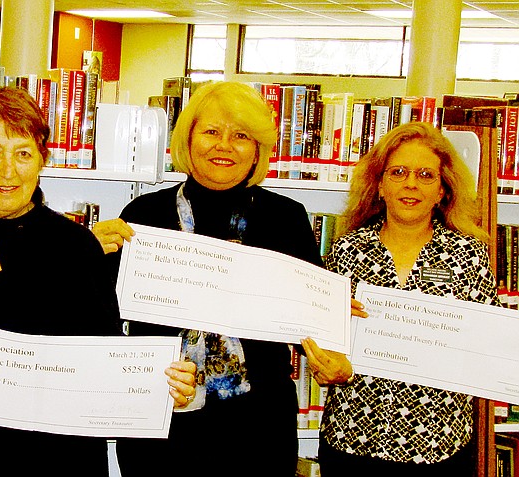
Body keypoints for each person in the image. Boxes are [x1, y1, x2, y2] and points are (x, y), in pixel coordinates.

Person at [0, 85, 196, 476]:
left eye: (23, 153)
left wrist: (160, 386)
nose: (8, 171)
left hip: (57, 463)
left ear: (42, 159)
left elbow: (108, 360)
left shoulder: (79, 247)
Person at [92, 80, 326, 476]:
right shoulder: (143, 216)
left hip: (257, 428)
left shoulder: (286, 218)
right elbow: (100, 314)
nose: (224, 145)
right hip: (162, 417)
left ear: (257, 150)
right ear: (188, 138)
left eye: (240, 136)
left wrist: (335, 317)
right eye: (211, 132)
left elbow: (312, 316)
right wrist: (89, 256)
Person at [301, 121, 501, 477]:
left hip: (439, 447)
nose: (411, 184)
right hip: (353, 441)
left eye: (426, 175)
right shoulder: (347, 251)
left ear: (442, 190)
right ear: (379, 185)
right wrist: (326, 362)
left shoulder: (469, 256)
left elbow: (488, 344)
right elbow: (322, 339)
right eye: (398, 172)